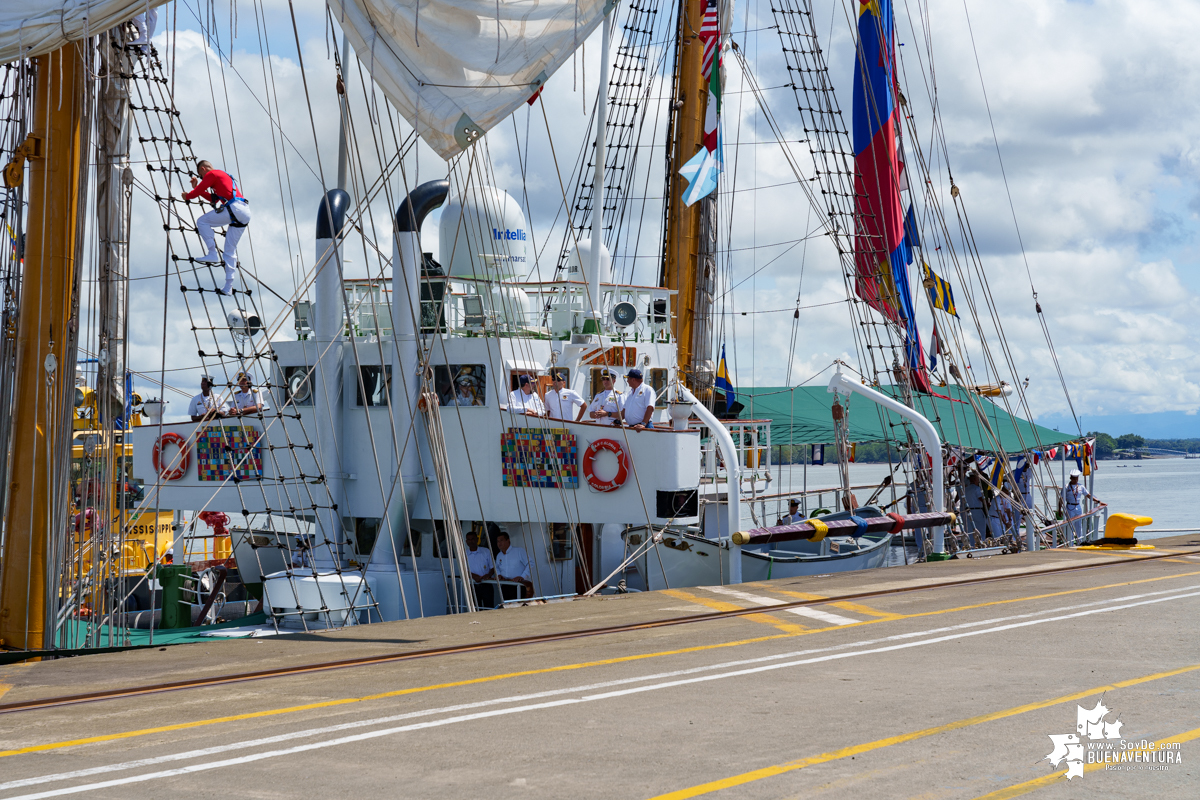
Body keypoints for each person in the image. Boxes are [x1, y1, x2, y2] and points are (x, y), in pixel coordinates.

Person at [182, 160, 252, 295]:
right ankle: (228, 288)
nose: (202, 178)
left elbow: (194, 194)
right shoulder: (224, 175)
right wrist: (197, 188)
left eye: (201, 175)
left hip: (234, 209)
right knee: (229, 252)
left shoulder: (212, 174)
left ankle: (212, 253)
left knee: (202, 222)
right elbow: (212, 200)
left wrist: (188, 195)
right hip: (244, 212)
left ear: (203, 169)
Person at [1061, 469, 1104, 545]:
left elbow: (1088, 495)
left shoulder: (1081, 486)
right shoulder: (1066, 487)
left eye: (1076, 478)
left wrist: (1098, 501)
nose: (1075, 480)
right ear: (1071, 478)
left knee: (1079, 525)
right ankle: (1070, 544)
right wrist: (1059, 509)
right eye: (1074, 478)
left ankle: (1079, 542)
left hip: (1078, 507)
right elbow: (1061, 499)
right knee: (1070, 526)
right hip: (1070, 507)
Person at [495, 531, 533, 599]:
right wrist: (499, 574)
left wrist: (522, 576)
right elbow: (497, 567)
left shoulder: (519, 551)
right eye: (498, 541)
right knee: (507, 607)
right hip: (505, 585)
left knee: (518, 607)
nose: (499, 543)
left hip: (518, 584)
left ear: (508, 541)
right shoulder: (499, 555)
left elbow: (530, 563)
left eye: (501, 540)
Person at [464, 530, 496, 608]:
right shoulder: (464, 554)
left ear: (477, 540)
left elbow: (493, 567)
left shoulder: (486, 551)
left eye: (473, 539)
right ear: (466, 541)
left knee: (488, 608)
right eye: (469, 539)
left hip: (486, 585)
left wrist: (488, 575)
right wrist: (473, 576)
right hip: (472, 586)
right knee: (475, 609)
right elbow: (463, 569)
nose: (471, 541)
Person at [963, 471, 987, 547]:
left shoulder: (966, 489)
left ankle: (971, 546)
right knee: (981, 530)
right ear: (975, 479)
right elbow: (981, 499)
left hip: (969, 511)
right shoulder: (977, 489)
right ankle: (981, 544)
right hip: (977, 511)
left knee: (970, 530)